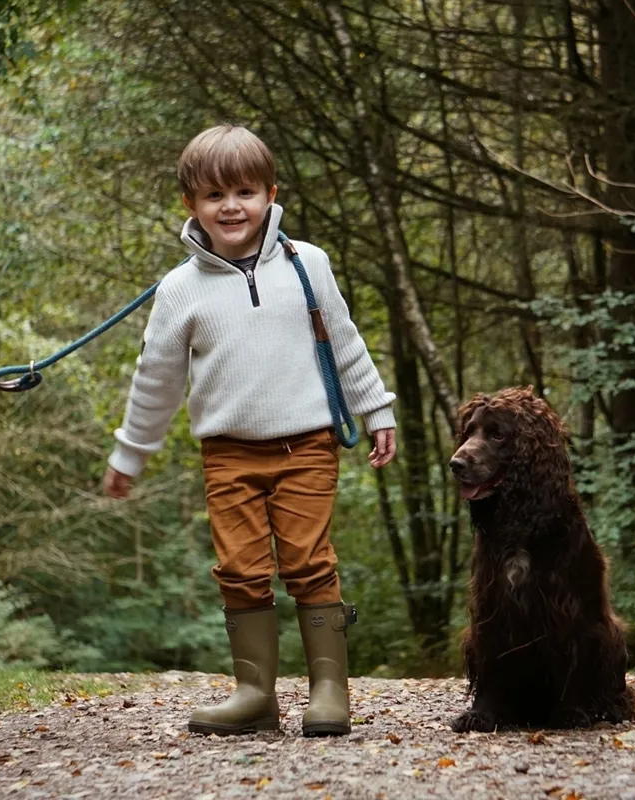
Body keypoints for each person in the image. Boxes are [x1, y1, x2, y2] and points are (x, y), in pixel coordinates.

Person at [103, 124, 397, 737]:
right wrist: (130, 454)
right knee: (239, 568)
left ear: (270, 193)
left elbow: (345, 343)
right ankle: (255, 694)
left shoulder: (308, 264)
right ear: (191, 205)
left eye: (244, 191)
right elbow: (155, 381)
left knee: (309, 562)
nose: (231, 206)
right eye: (214, 196)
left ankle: (328, 692)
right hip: (228, 454)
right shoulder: (179, 290)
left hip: (308, 446)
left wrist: (378, 410)